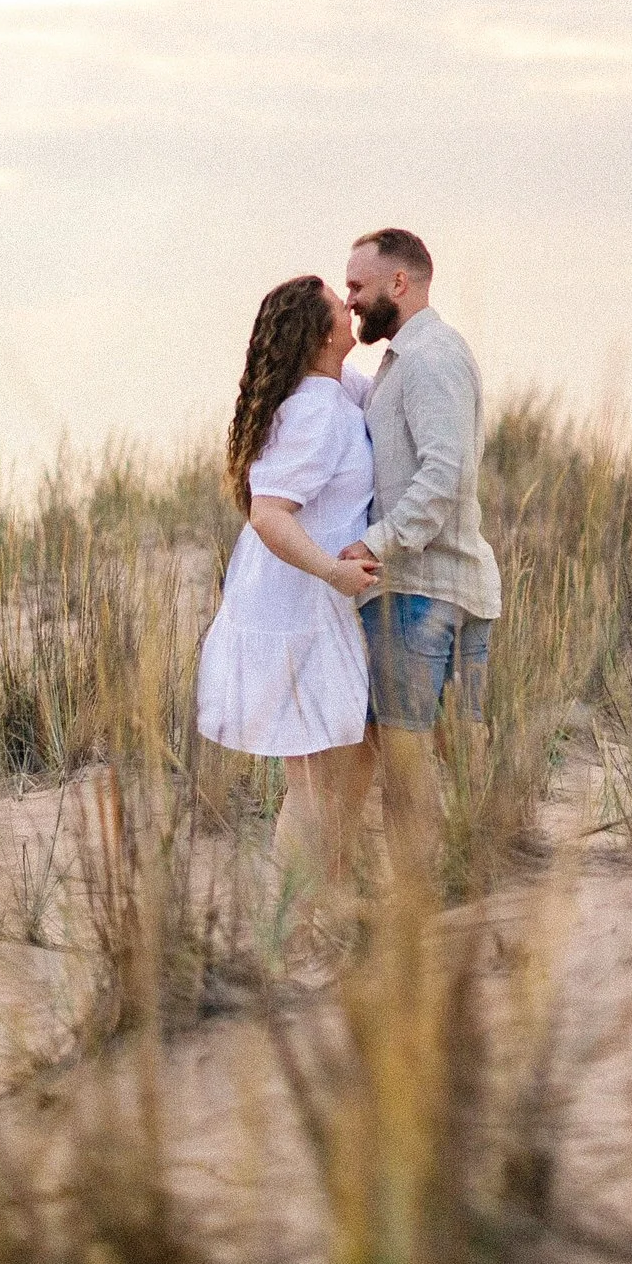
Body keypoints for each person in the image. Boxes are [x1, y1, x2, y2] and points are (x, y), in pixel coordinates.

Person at [195, 271, 378, 897]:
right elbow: (269, 513)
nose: (349, 304)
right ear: (321, 332)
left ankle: (308, 909)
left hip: (298, 603)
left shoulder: (331, 392)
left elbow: (386, 389)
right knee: (317, 778)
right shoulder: (314, 412)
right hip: (297, 605)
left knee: (329, 771)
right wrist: (333, 571)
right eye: (339, 302)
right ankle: (293, 922)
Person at [334, 226, 501, 862]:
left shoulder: (429, 358)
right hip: (448, 587)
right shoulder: (408, 360)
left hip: (418, 592)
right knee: (460, 760)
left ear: (398, 284)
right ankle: (470, 887)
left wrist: (378, 543)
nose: (350, 300)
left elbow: (446, 475)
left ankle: (422, 911)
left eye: (358, 285)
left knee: (411, 771)